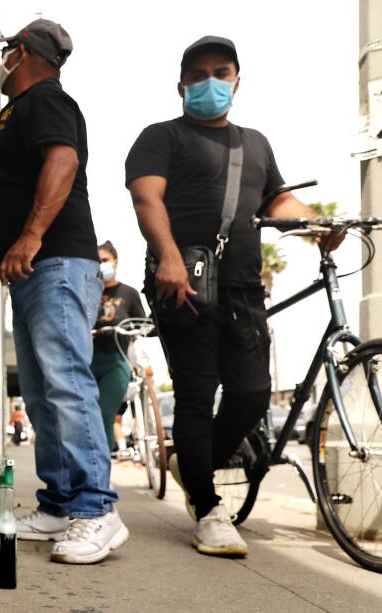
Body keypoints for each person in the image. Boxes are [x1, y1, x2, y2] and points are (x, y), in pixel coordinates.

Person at [125, 36, 341, 558]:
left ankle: (189, 465)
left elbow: (279, 199)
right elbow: (145, 195)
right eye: (199, 75)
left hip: (244, 288)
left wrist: (316, 224)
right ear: (181, 85)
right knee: (197, 396)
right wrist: (169, 257)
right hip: (185, 283)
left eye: (221, 73)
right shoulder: (161, 137)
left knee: (249, 394)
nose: (210, 83)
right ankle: (208, 507)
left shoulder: (255, 145)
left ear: (237, 81)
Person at [0, 19, 126, 565]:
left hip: (55, 263)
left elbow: (64, 160)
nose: (2, 60)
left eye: (6, 52)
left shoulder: (47, 100)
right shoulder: (14, 115)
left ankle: (97, 510)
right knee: (44, 392)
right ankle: (58, 505)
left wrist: (29, 235)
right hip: (31, 270)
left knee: (67, 384)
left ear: (19, 53)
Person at [90, 241, 146, 455]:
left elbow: (142, 324)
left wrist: (137, 331)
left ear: (115, 262)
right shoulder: (88, 292)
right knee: (85, 416)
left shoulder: (129, 293)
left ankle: (100, 470)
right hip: (88, 362)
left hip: (116, 361)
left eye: (104, 260)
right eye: (96, 262)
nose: (101, 265)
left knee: (105, 413)